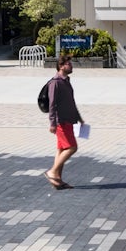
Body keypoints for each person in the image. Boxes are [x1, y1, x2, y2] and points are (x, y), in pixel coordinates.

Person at [44, 57, 85, 189]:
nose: (71, 66)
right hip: (61, 121)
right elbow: (52, 104)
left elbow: (71, 102)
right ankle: (52, 172)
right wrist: (52, 123)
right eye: (68, 64)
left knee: (61, 149)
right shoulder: (55, 83)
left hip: (69, 120)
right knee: (72, 147)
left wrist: (79, 118)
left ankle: (57, 180)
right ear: (61, 66)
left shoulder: (66, 81)